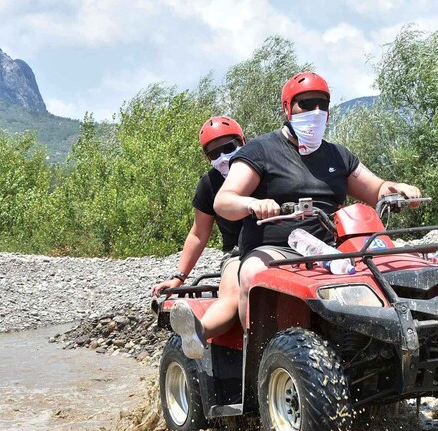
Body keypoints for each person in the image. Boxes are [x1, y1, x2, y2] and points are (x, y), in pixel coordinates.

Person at [214, 71, 421, 326]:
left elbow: (377, 189)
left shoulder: (338, 155)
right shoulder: (260, 150)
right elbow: (224, 201)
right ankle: (258, 348)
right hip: (277, 250)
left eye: (322, 104)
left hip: (332, 248)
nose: (316, 111)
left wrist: (398, 189)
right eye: (306, 103)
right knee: (252, 274)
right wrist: (252, 203)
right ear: (288, 108)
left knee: (395, 268)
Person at [150, 115, 245, 359]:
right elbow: (199, 233)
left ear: (242, 142)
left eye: (229, 148)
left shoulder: (265, 169)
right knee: (233, 295)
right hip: (239, 254)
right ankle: (198, 332)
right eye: (214, 153)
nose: (223, 157)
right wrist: (178, 278)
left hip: (280, 246)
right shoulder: (210, 184)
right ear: (207, 157)